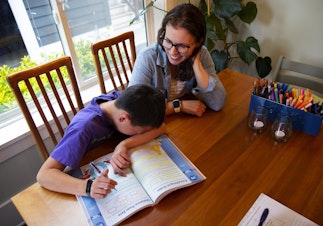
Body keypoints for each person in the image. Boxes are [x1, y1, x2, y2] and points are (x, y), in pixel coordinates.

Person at [36, 84, 166, 199]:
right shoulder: (83, 128)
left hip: (100, 156)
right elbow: (44, 175)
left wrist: (123, 145)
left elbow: (161, 127)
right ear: (123, 119)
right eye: (138, 132)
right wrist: (87, 187)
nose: (140, 135)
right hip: (78, 177)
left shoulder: (122, 103)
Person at [129, 3, 227, 117]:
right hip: (158, 126)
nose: (173, 52)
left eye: (182, 46)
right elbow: (133, 110)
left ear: (198, 42)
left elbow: (217, 103)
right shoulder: (147, 58)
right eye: (168, 41)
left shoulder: (202, 55)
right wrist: (179, 106)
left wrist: (197, 65)